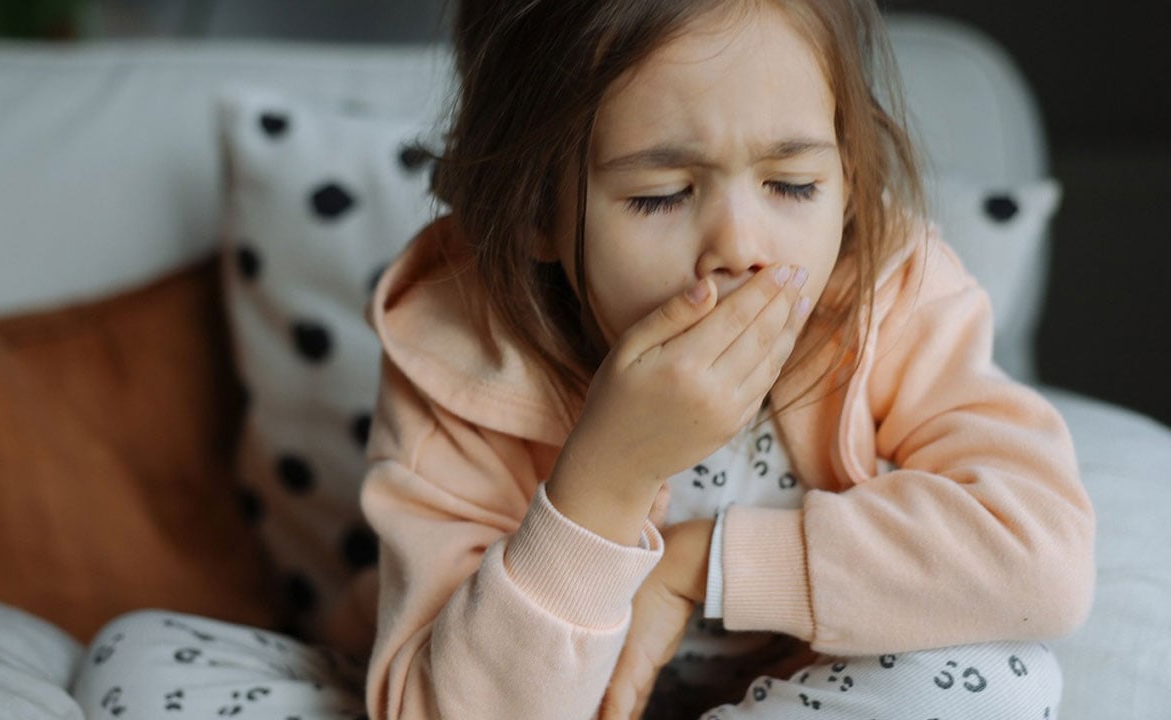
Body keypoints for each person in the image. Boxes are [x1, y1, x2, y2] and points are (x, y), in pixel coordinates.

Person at [360, 0, 1094, 718]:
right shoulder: (456, 353)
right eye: (661, 196)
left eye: (792, 184)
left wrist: (702, 564)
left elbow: (1041, 559)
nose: (742, 247)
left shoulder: (894, 299)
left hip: (808, 689)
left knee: (1008, 679)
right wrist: (606, 478)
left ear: (848, 179)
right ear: (535, 211)